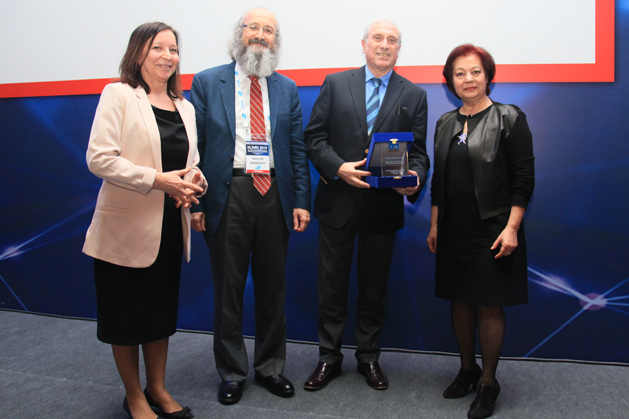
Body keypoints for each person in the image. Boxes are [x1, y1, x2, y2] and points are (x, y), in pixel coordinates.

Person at [83, 22, 206, 419]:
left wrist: (195, 180)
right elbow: (99, 159)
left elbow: (190, 162)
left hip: (169, 228)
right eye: (158, 47)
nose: (168, 56)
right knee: (125, 318)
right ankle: (134, 396)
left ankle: (158, 387)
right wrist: (157, 180)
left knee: (158, 315)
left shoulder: (184, 106)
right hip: (124, 231)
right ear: (138, 52)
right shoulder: (118, 94)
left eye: (174, 49)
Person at [189, 8, 311, 405]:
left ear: (276, 41)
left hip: (274, 193)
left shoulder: (287, 88)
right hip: (228, 192)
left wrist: (301, 200)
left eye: (268, 30)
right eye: (253, 27)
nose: (260, 35)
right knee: (228, 289)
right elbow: (197, 147)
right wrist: (196, 203)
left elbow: (296, 149)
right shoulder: (208, 82)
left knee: (273, 288)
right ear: (239, 34)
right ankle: (232, 372)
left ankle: (270, 367)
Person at [303, 19, 429, 391]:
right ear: (364, 44)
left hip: (382, 207)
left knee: (374, 289)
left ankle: (369, 357)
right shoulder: (335, 83)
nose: (384, 44)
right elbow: (314, 137)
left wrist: (414, 179)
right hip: (337, 202)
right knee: (331, 287)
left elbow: (419, 154)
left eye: (392, 40)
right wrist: (337, 167)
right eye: (378, 38)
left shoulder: (414, 95)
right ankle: (328, 358)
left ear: (399, 49)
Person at [426, 44, 535, 419]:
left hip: (493, 229)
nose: (468, 79)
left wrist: (512, 228)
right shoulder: (445, 122)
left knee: (488, 304)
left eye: (475, 71)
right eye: (459, 73)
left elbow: (524, 179)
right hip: (453, 229)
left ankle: (489, 382)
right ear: (450, 81)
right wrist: (435, 224)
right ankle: (467, 369)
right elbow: (438, 180)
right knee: (459, 301)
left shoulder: (509, 117)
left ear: (488, 76)